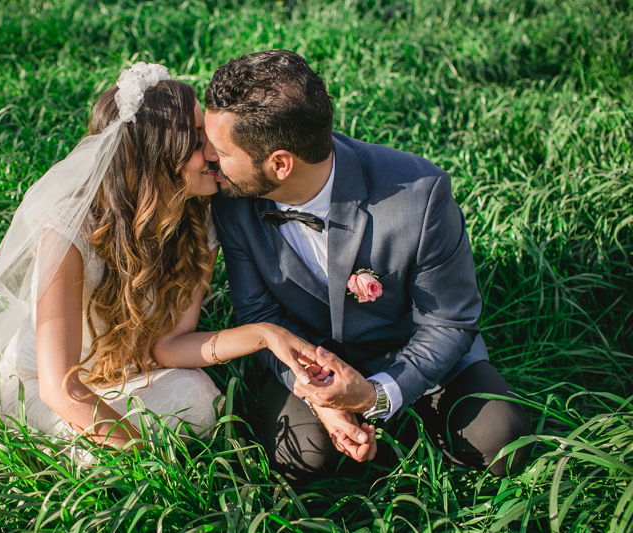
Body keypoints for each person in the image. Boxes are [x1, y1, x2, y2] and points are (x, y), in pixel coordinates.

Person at [0, 62, 339, 453]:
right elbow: (59, 387)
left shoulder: (199, 221)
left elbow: (167, 347)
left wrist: (263, 333)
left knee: (200, 401)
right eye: (197, 138)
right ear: (158, 155)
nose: (214, 152)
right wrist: (141, 455)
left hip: (132, 372)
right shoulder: (70, 233)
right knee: (102, 455)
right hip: (43, 387)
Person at [204, 50, 532, 483]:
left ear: (280, 163)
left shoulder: (420, 194)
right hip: (311, 357)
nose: (207, 156)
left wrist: (375, 394)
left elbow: (450, 321)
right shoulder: (232, 200)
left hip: (413, 353)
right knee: (297, 458)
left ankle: (405, 422)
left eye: (221, 150)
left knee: (504, 441)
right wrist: (319, 395)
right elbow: (259, 315)